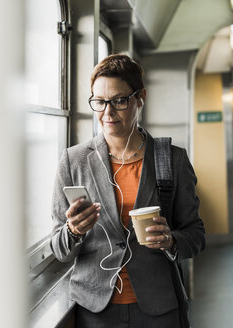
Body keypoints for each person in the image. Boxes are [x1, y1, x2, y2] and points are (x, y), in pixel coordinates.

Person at [50, 54, 205, 327]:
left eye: (119, 101)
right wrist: (73, 231)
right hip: (95, 310)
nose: (107, 112)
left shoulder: (172, 159)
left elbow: (195, 235)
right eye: (99, 102)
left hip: (159, 307)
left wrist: (170, 241)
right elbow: (59, 249)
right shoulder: (73, 161)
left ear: (140, 98)